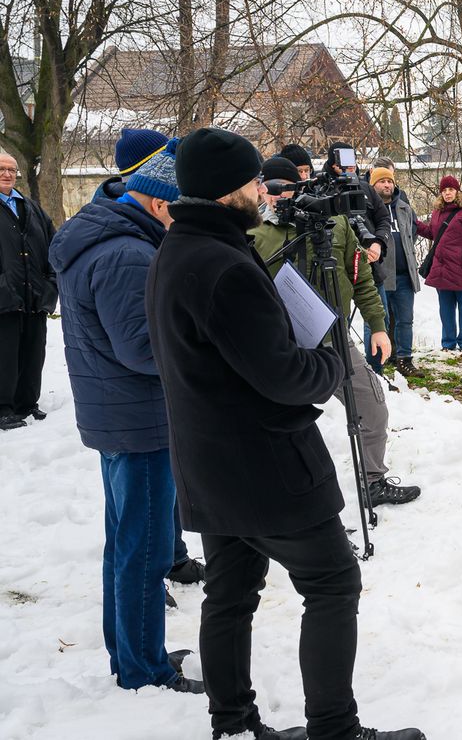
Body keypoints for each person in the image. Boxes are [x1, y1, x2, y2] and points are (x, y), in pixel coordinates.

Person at [145, 126, 423, 740]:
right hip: (265, 466)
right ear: (223, 192)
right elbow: (282, 375)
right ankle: (334, 729)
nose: (262, 192)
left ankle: (234, 724)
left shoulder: (178, 250)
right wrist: (326, 363)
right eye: (250, 181)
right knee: (331, 581)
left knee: (232, 591)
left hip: (209, 463)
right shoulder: (222, 266)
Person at [47, 140, 204, 694]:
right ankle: (143, 669)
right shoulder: (127, 254)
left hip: (118, 415)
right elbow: (141, 348)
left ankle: (132, 650)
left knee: (127, 541)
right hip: (139, 422)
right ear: (159, 204)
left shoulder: (109, 236)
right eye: (178, 209)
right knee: (145, 549)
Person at [252, 159, 421, 508]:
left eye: (289, 187)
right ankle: (285, 499)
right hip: (282, 346)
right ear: (262, 191)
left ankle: (372, 480)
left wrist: (377, 327)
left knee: (372, 407)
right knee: (286, 425)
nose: (281, 196)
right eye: (273, 189)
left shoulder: (332, 224)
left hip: (335, 337)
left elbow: (359, 277)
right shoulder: (252, 235)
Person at [0, 152, 56, 431]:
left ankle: (26, 402)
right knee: (4, 353)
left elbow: (54, 246)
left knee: (34, 350)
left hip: (35, 294)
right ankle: (3, 407)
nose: (7, 174)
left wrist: (50, 284)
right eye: (1, 169)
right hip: (3, 297)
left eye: (11, 169)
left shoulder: (32, 208)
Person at [366, 161, 423, 376]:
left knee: (405, 319)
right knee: (379, 319)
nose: (387, 184)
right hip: (380, 274)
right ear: (373, 185)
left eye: (389, 181)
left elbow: (412, 232)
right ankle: (376, 362)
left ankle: (404, 359)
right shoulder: (368, 209)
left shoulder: (404, 208)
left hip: (404, 274)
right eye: (382, 181)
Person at [416, 175, 462, 351]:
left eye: (450, 189)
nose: (447, 193)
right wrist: (415, 223)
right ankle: (448, 343)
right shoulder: (438, 211)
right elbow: (433, 233)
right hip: (442, 268)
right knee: (445, 310)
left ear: (457, 191)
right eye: (444, 190)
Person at [323, 142, 393, 289]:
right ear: (333, 163)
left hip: (370, 267)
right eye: (343, 160)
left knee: (379, 312)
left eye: (352, 159)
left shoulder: (366, 187)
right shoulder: (321, 191)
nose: (350, 165)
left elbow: (384, 218)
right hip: (337, 271)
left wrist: (378, 243)